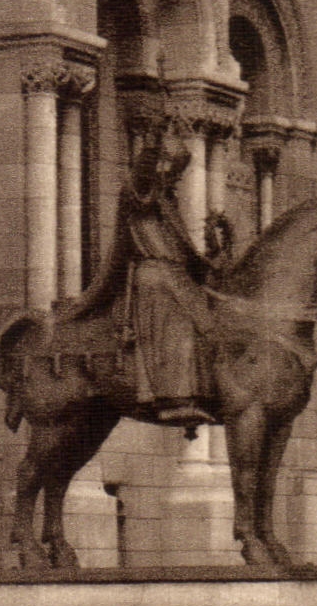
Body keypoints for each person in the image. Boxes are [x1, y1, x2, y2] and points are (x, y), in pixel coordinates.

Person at [72, 132, 220, 426]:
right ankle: (173, 398)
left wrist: (212, 252)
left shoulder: (167, 201)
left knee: (211, 318)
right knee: (177, 313)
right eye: (174, 169)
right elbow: (141, 178)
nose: (177, 177)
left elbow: (183, 252)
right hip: (154, 276)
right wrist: (151, 147)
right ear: (160, 165)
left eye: (180, 170)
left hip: (176, 274)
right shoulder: (138, 191)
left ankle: (207, 390)